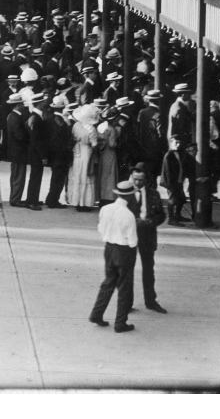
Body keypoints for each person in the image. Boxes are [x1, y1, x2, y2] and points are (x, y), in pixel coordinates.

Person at [89, 180, 139, 333]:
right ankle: (120, 323)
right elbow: (132, 241)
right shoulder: (129, 215)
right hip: (124, 251)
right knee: (124, 286)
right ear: (130, 197)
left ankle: (97, 314)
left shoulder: (105, 209)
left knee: (108, 282)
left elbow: (100, 228)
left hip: (109, 248)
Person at [127, 163, 167, 314]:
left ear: (146, 180)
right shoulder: (126, 193)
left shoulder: (153, 194)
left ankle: (151, 301)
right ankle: (126, 303)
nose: (137, 183)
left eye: (140, 180)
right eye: (135, 179)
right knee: (127, 270)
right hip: (130, 235)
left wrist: (151, 222)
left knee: (148, 270)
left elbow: (162, 215)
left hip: (147, 235)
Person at [68, 103, 99, 211]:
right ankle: (85, 203)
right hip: (87, 151)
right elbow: (94, 144)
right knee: (86, 175)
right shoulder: (91, 129)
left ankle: (76, 201)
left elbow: (73, 137)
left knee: (77, 174)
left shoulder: (76, 126)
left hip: (77, 149)